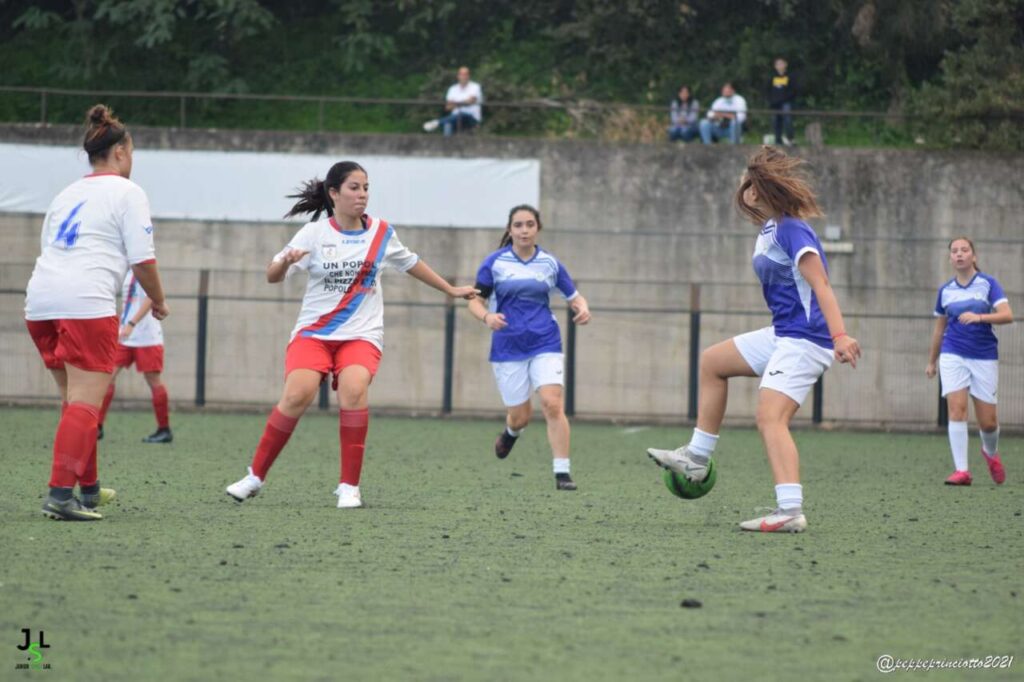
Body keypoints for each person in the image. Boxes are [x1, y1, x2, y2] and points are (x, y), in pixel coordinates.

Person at [225, 161, 478, 509]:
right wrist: (285, 262)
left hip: (361, 334)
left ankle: (349, 487)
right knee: (297, 394)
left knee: (354, 390)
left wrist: (450, 289)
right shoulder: (313, 234)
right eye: (354, 188)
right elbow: (272, 275)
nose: (362, 195)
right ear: (333, 194)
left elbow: (411, 263)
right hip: (314, 333)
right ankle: (254, 476)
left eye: (366, 188)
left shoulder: (381, 233)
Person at [646, 146, 861, 533]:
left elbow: (822, 284)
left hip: (806, 340)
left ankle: (790, 510)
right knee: (713, 361)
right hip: (782, 334)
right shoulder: (770, 228)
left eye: (748, 182)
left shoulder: (793, 229)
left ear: (759, 188)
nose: (742, 188)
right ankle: (697, 456)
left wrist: (839, 335)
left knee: (769, 417)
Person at [25, 104, 169, 521]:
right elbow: (143, 261)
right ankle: (59, 495)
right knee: (86, 403)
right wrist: (158, 301)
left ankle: (87, 490)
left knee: (74, 401)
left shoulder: (66, 194)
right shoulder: (128, 192)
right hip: (86, 303)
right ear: (121, 152)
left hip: (40, 301)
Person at [467, 205, 591, 491]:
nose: (524, 230)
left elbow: (574, 296)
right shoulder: (494, 263)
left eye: (530, 224)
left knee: (552, 403)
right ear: (510, 230)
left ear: (538, 229)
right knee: (521, 416)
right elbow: (475, 300)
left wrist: (583, 309)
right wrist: (487, 316)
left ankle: (562, 473)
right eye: (519, 225)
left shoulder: (549, 263)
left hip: (545, 341)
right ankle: (511, 432)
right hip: (508, 347)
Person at [926, 237, 1012, 486]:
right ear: (950, 258)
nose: (960, 254)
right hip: (953, 354)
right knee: (957, 409)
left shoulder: (989, 284)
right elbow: (939, 330)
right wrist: (932, 361)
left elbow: (1007, 315)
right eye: (955, 251)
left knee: (988, 422)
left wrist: (980, 317)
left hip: (984, 356)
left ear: (973, 256)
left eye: (965, 250)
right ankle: (962, 470)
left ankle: (990, 453)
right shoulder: (945, 291)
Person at [96, 271, 173, 444]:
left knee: (153, 380)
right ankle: (97, 426)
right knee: (108, 376)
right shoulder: (127, 268)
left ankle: (164, 429)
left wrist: (132, 323)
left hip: (147, 336)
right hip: (125, 335)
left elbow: (151, 298)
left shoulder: (144, 268)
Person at [422, 66, 483, 136]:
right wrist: (463, 103)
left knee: (462, 114)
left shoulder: (475, 87)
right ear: (458, 76)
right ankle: (447, 144)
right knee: (448, 123)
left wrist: (456, 104)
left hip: (472, 118)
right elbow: (448, 107)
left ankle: (437, 123)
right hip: (455, 117)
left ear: (469, 76)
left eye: (465, 74)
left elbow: (471, 101)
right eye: (461, 74)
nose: (463, 77)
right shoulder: (452, 89)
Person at [768, 58, 796, 146]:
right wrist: (771, 100)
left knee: (787, 119)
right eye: (777, 64)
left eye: (781, 64)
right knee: (775, 121)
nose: (779, 66)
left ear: (785, 64)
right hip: (775, 103)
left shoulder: (790, 76)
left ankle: (790, 139)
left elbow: (793, 90)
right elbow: (767, 90)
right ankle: (778, 141)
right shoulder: (771, 77)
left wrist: (785, 99)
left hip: (786, 102)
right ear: (775, 66)